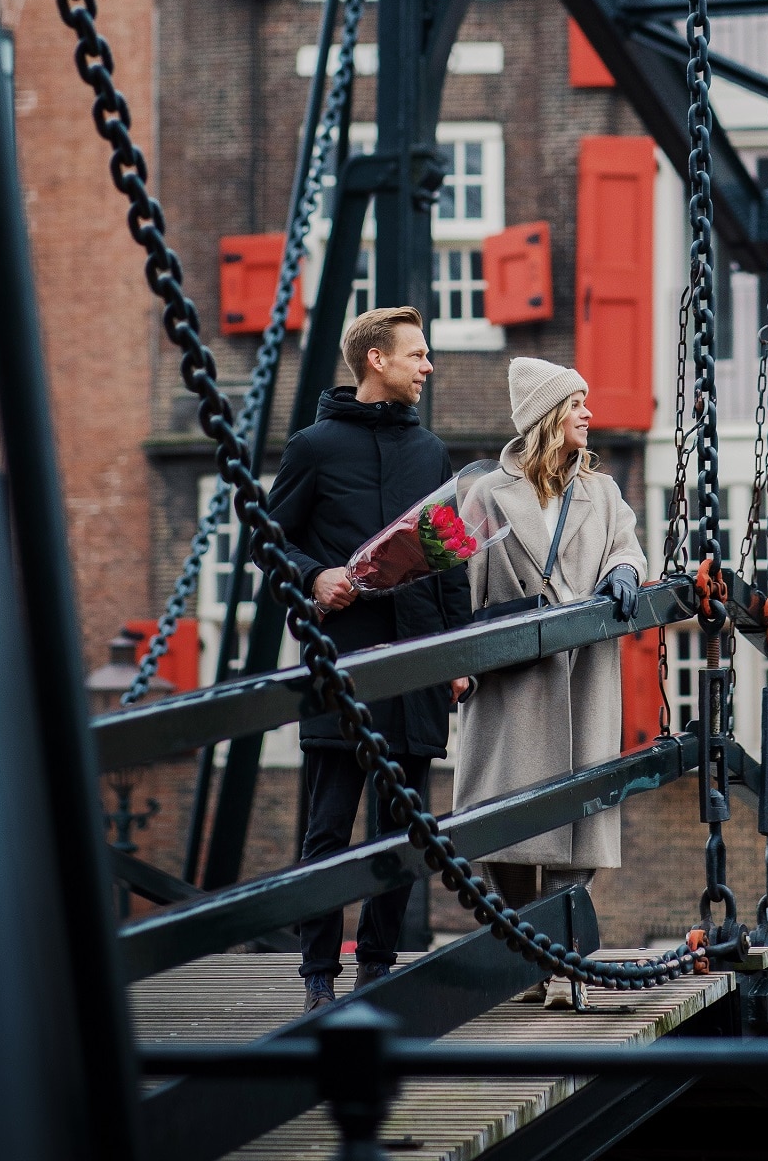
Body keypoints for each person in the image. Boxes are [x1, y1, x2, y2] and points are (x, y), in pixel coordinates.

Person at [271, 304, 471, 1013]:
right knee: (328, 827)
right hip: (345, 663)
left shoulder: (430, 453)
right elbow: (268, 544)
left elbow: (448, 563)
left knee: (404, 828)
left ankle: (378, 971)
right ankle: (318, 978)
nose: (428, 366)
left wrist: (459, 653)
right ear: (376, 360)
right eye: (416, 354)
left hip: (417, 666)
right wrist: (312, 575)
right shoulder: (312, 449)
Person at [453, 357, 645, 1001]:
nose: (588, 416)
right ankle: (530, 961)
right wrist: (462, 670)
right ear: (547, 417)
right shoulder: (482, 496)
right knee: (506, 829)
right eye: (576, 406)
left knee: (579, 826)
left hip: (582, 674)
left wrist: (624, 570)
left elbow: (627, 544)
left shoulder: (604, 491)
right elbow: (462, 593)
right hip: (513, 683)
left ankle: (560, 966)